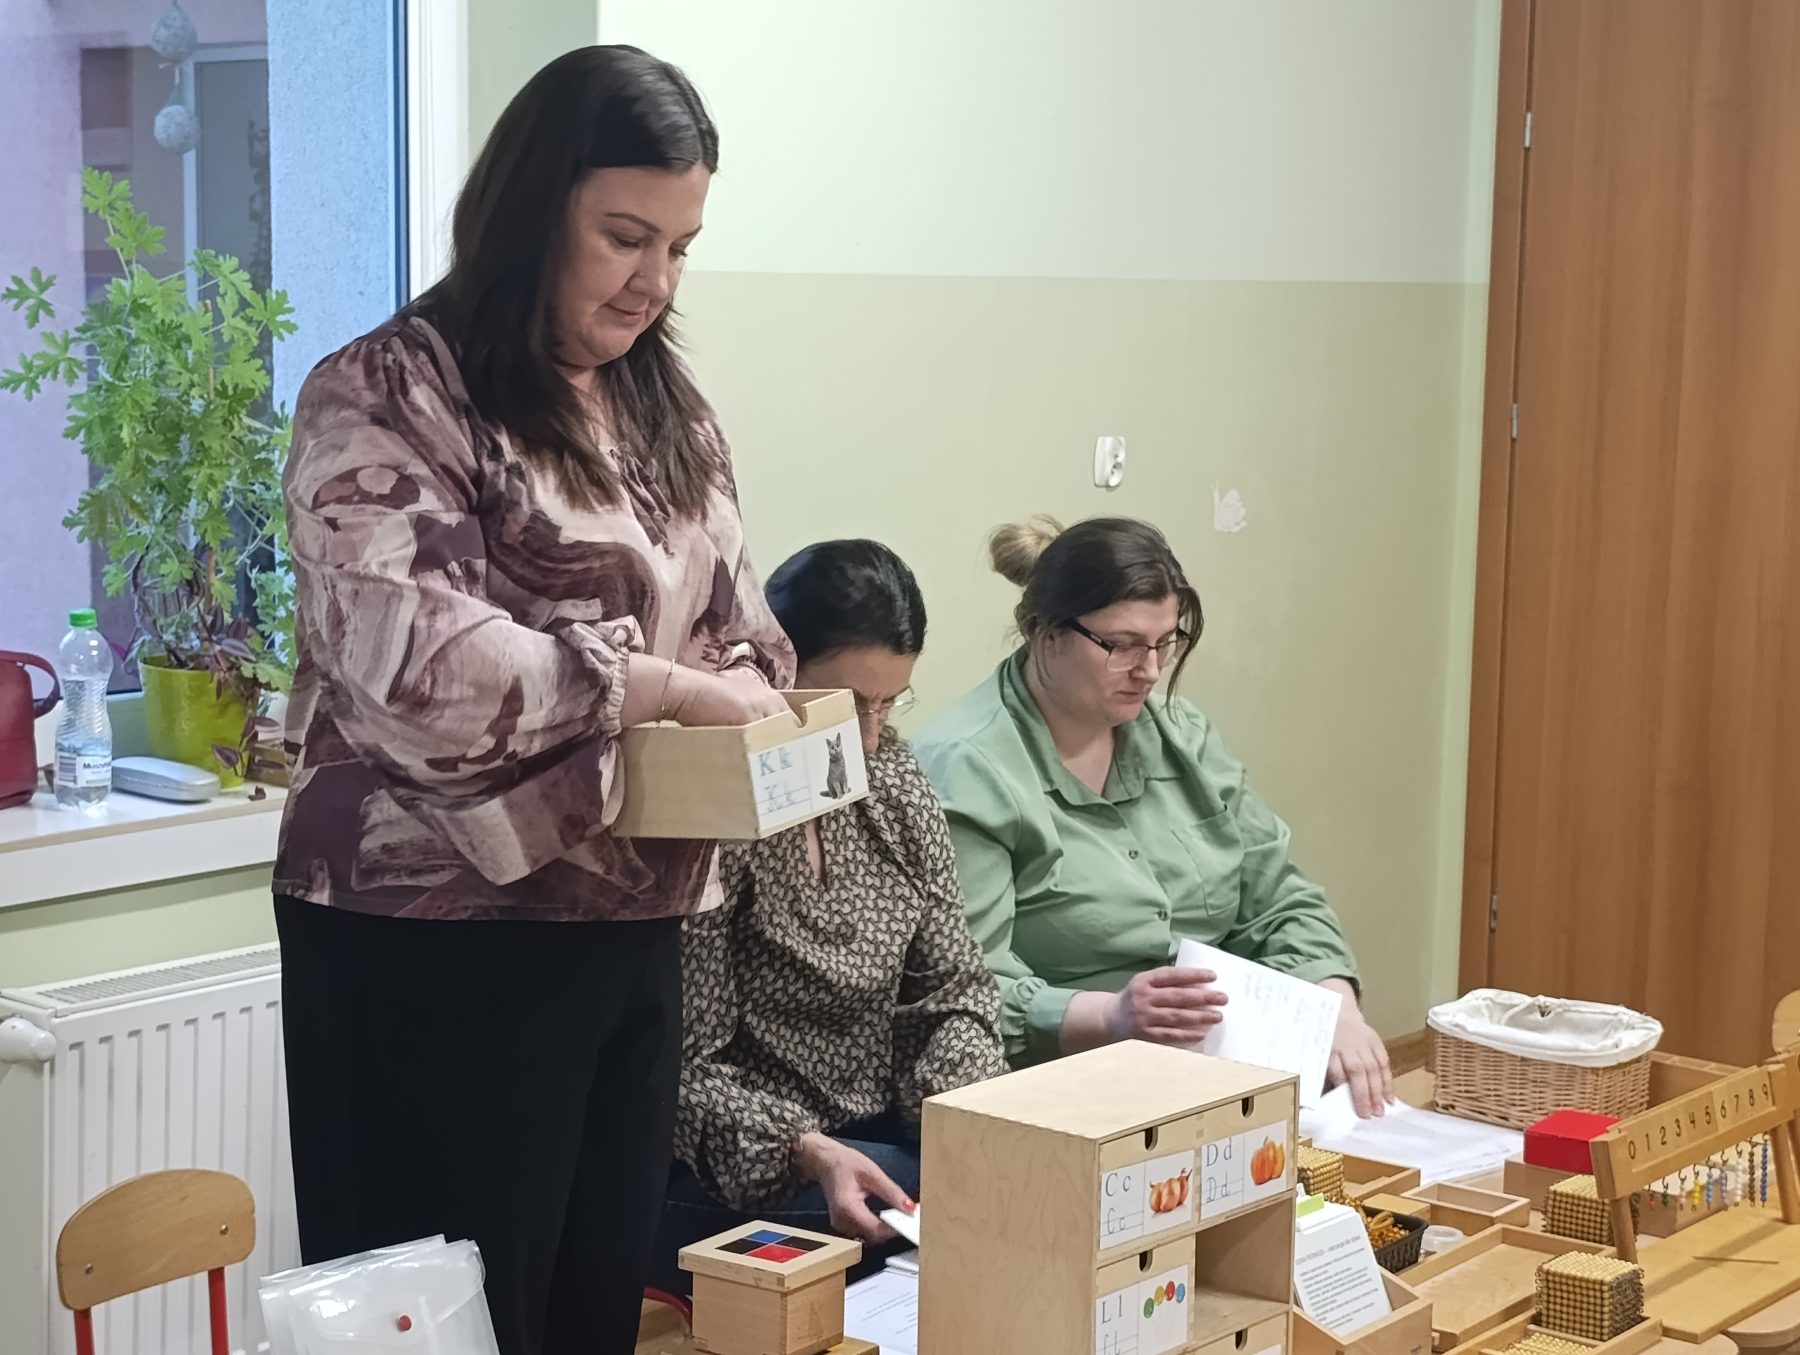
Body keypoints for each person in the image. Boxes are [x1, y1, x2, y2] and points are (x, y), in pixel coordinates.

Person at [272, 47, 797, 1355]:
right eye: (624, 237)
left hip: (631, 925)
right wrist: (655, 682)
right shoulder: (387, 390)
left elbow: (746, 629)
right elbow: (420, 666)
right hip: (428, 940)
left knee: (585, 1315)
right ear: (530, 206)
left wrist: (739, 683)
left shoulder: (665, 405)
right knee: (447, 1323)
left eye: (679, 246)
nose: (653, 281)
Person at [914, 516, 1393, 1117]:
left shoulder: (1181, 733)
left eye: (1164, 642)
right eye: (1122, 645)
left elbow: (1277, 899)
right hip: (1059, 1098)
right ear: (1046, 633)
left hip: (1217, 1073)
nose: (1149, 670)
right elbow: (962, 989)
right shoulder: (968, 767)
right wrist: (1109, 1017)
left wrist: (1335, 1007)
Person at [653, 540, 1007, 1292]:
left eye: (889, 704)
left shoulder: (892, 779)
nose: (869, 736)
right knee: (959, 1217)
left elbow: (952, 989)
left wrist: (968, 1117)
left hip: (881, 1133)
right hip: (747, 1163)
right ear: (773, 671)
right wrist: (807, 1148)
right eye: (846, 707)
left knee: (1021, 1181)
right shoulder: (715, 809)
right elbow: (679, 1069)